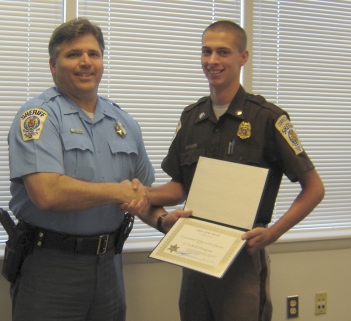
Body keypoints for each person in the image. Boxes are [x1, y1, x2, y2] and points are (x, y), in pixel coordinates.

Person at [129, 20, 325, 321]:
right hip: (194, 252)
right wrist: (143, 193)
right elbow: (179, 187)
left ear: (242, 57)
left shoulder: (268, 119)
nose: (213, 61)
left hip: (242, 257)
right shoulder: (192, 118)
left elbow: (314, 189)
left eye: (223, 52)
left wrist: (272, 233)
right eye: (206, 52)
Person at [7, 17, 154, 321]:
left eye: (94, 54)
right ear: (53, 64)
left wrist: (166, 220)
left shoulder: (123, 122)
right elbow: (46, 193)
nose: (86, 62)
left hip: (109, 264)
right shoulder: (38, 116)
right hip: (51, 266)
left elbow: (142, 193)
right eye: (73, 54)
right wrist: (119, 191)